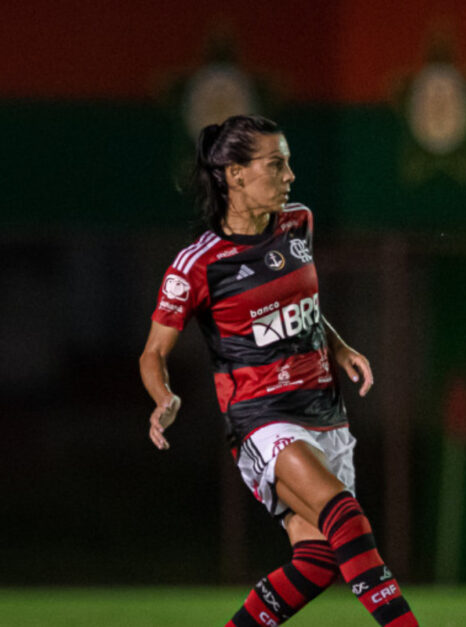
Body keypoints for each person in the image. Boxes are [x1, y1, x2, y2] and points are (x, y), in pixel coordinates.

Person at [139, 114, 418, 627]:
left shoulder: (297, 222)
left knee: (317, 563)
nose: (290, 176)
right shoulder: (197, 264)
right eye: (277, 164)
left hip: (324, 411)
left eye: (288, 163)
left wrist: (339, 346)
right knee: (346, 519)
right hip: (262, 417)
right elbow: (153, 352)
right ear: (236, 174)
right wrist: (164, 398)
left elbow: (302, 306)